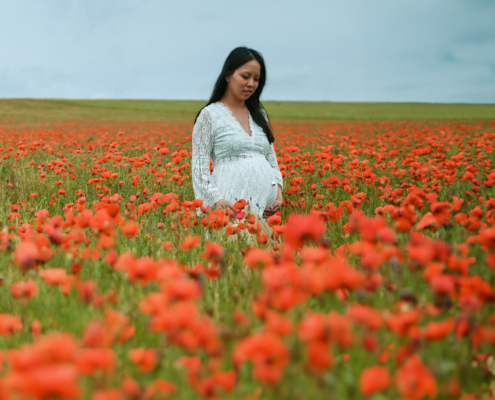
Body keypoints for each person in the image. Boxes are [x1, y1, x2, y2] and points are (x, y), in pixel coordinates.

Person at [191, 46, 283, 221]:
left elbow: (271, 159)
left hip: (265, 211)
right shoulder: (209, 115)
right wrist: (217, 201)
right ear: (227, 75)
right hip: (229, 208)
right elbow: (199, 168)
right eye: (245, 76)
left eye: (257, 79)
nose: (251, 84)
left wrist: (278, 193)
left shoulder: (259, 115)